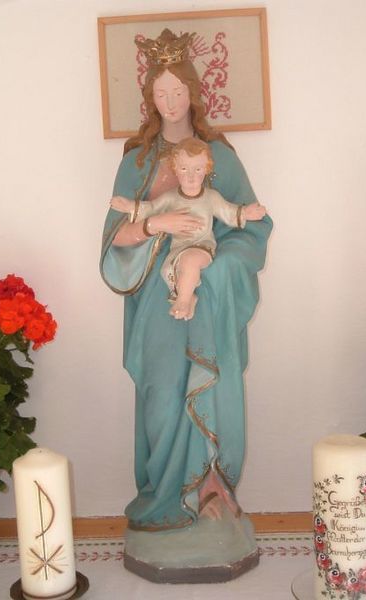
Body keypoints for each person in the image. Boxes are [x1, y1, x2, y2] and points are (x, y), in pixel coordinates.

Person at [100, 28, 272, 538]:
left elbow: (249, 226)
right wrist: (157, 223)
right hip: (155, 300)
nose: (171, 102)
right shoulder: (136, 161)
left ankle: (210, 491)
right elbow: (114, 237)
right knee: (161, 393)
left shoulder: (220, 157)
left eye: (178, 91)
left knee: (207, 384)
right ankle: (164, 495)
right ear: (150, 98)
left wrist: (215, 271)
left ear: (193, 93)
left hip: (206, 296)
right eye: (161, 92)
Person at [110, 137, 267, 321]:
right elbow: (151, 208)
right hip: (177, 249)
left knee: (190, 262)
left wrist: (246, 213)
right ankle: (188, 296)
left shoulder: (211, 197)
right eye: (184, 169)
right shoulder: (171, 198)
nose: (191, 176)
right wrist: (131, 207)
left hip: (202, 246)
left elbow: (229, 212)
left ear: (207, 169)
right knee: (172, 269)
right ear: (175, 169)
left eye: (197, 169)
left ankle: (183, 301)